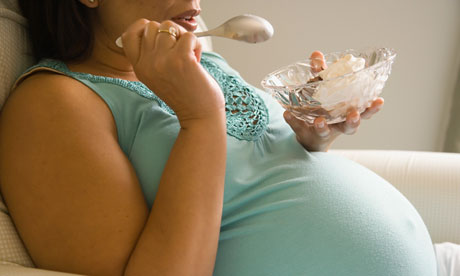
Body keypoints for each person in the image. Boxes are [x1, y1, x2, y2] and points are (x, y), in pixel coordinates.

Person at [0, 0, 437, 275]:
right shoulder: (53, 103)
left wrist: (309, 136)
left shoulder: (199, 62)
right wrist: (200, 117)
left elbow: (251, 177)